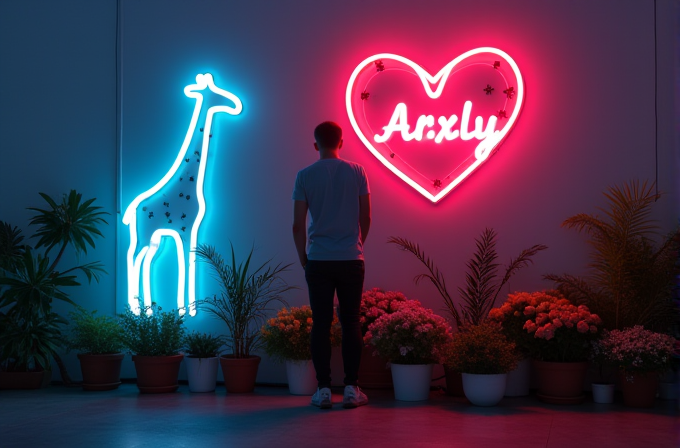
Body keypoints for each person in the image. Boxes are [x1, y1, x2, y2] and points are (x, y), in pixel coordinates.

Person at [292, 121, 371, 409]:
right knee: (351, 322)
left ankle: (323, 389)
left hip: (319, 259)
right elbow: (367, 217)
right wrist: (357, 244)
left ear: (316, 144)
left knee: (321, 324)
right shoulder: (357, 171)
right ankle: (352, 388)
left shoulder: (304, 176)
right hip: (351, 258)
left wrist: (303, 256)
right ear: (342, 142)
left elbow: (297, 225)